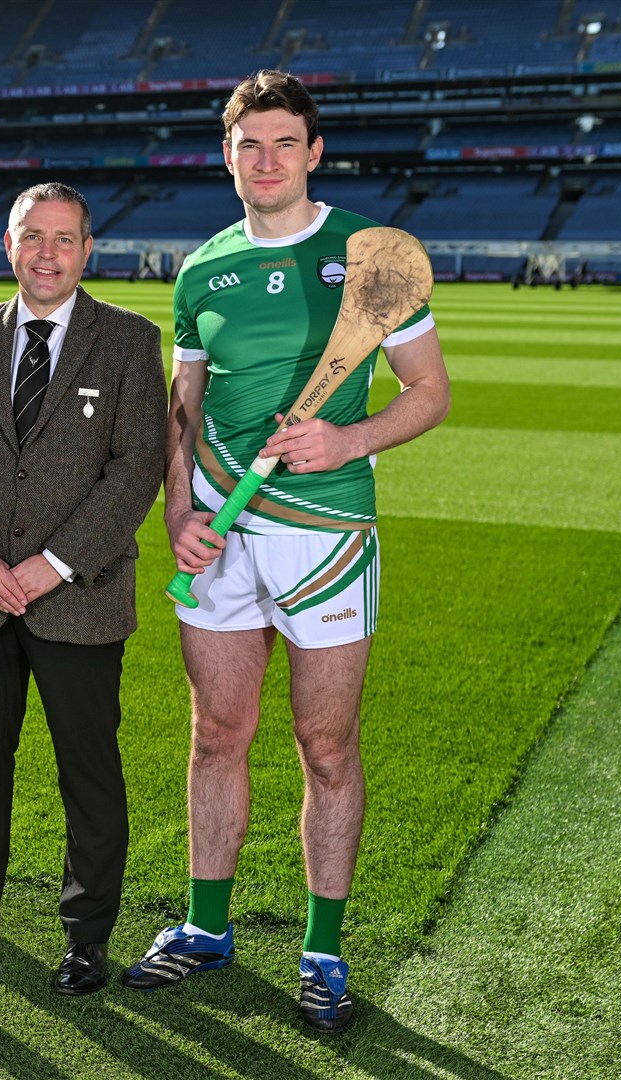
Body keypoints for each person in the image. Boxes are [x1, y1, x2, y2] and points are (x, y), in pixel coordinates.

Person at [119, 70, 450, 1034]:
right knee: (216, 733)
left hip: (328, 532)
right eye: (246, 145)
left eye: (281, 143)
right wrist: (178, 512)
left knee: (326, 744)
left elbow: (427, 391)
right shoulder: (201, 270)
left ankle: (322, 949)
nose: (264, 161)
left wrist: (349, 439)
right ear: (226, 158)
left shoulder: (369, 254)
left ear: (312, 153)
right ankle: (205, 927)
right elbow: (181, 413)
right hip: (220, 529)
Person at [0, 183, 167, 995]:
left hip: (80, 598)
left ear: (87, 250)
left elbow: (138, 469)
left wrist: (50, 566)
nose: (47, 253)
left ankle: (86, 936)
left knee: (87, 772)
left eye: (63, 239)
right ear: (8, 245)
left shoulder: (129, 339)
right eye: (33, 237)